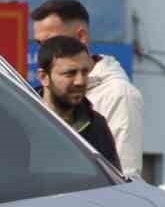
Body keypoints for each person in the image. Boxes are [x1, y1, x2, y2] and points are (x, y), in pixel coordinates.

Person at [31, 0, 145, 179]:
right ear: (43, 77)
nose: (44, 51)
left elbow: (124, 177)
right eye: (39, 44)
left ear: (82, 37)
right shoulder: (33, 96)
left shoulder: (118, 95)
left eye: (52, 41)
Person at [36, 35, 121, 171]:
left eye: (84, 72)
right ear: (44, 77)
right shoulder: (23, 120)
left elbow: (112, 183)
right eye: (70, 73)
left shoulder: (97, 125)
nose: (80, 81)